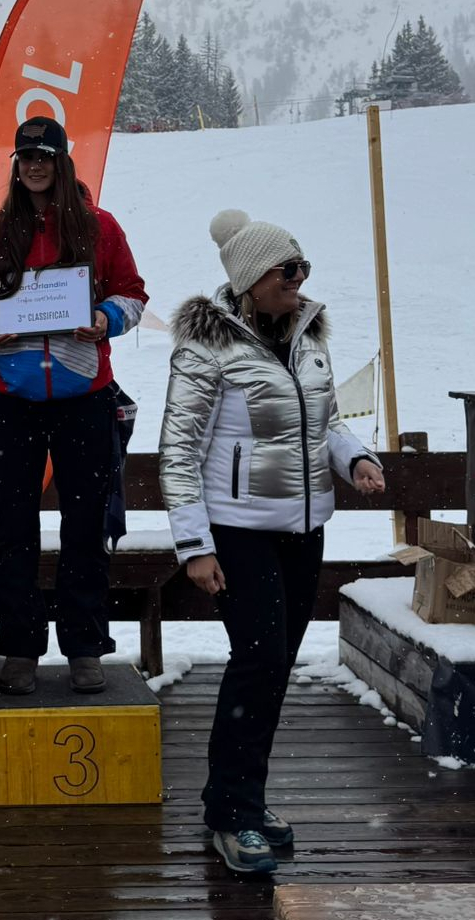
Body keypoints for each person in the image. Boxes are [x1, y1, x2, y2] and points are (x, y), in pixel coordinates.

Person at [159, 209, 386, 874]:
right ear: (250, 277)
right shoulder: (207, 347)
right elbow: (177, 450)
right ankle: (229, 812)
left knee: (272, 668)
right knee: (256, 662)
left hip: (302, 530)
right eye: (287, 269)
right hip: (237, 533)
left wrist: (356, 459)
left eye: (302, 266)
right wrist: (193, 546)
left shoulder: (308, 336)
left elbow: (329, 422)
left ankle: (243, 799)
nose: (299, 278)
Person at [0, 115, 148, 695]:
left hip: (84, 395)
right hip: (9, 397)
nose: (35, 165)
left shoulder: (98, 226)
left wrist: (106, 317)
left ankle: (85, 646)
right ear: (16, 165)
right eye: (26, 157)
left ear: (63, 162)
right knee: (13, 528)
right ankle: (19, 647)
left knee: (85, 526)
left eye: (45, 156)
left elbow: (133, 294)